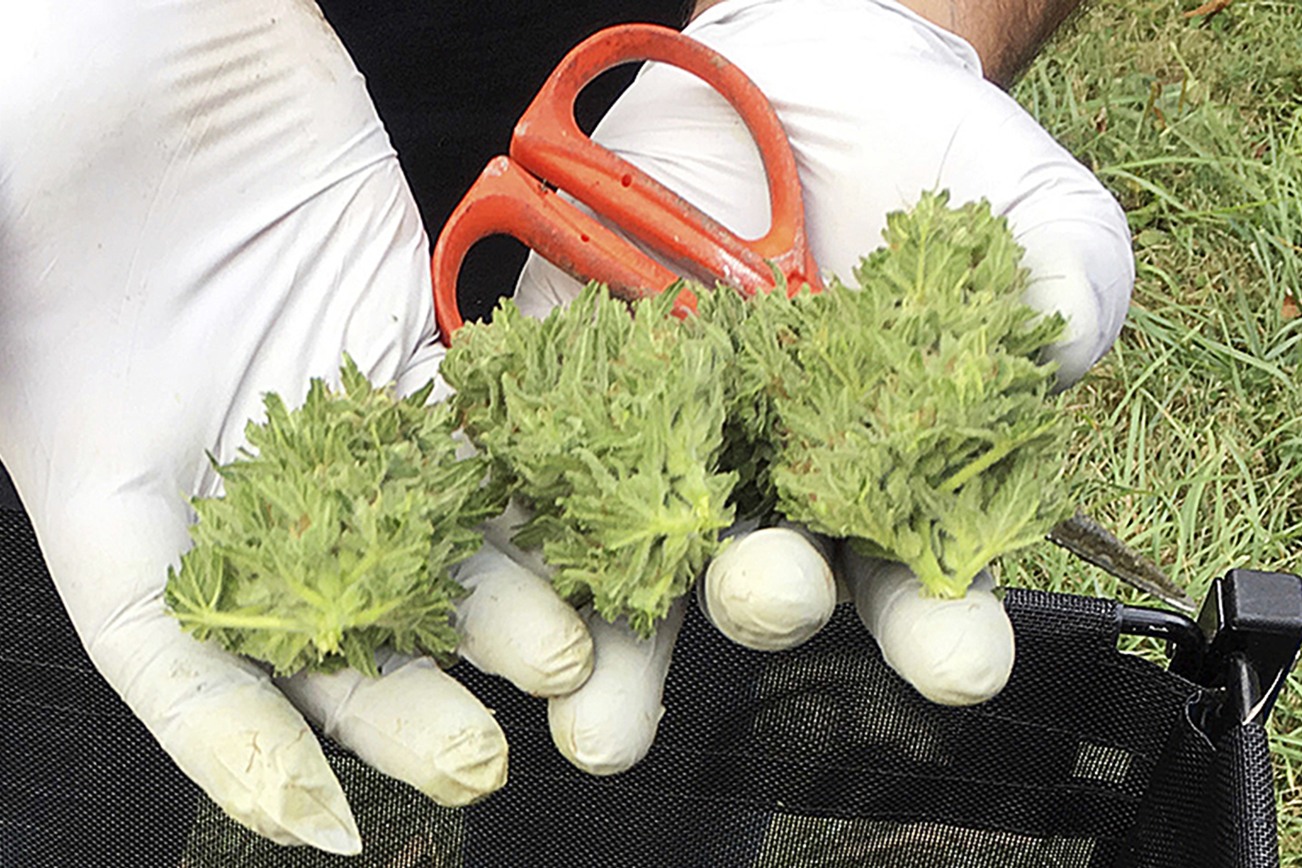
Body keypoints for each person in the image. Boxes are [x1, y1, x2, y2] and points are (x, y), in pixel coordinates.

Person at [0, 0, 1129, 858]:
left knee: (627, 788)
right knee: (80, 745)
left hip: (645, 109)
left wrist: (882, 14)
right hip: (95, 286)